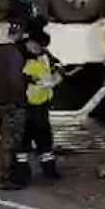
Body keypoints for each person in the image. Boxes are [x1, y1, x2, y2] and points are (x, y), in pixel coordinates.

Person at [17, 28, 63, 182]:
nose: (38, 50)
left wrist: (56, 77)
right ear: (30, 42)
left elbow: (57, 66)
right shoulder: (18, 56)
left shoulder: (44, 55)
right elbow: (14, 77)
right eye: (36, 46)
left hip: (42, 104)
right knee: (23, 140)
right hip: (24, 104)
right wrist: (33, 81)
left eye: (41, 47)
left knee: (45, 138)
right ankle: (22, 173)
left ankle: (49, 170)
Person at [0, 22, 28, 190]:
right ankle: (9, 177)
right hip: (13, 101)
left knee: (5, 138)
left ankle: (6, 175)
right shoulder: (12, 53)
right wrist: (22, 98)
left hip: (0, 100)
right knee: (13, 141)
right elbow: (15, 79)